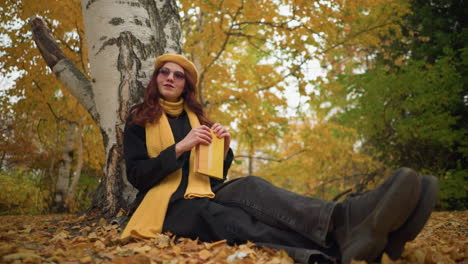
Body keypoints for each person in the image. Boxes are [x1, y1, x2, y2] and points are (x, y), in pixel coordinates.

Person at [121, 53, 439, 264]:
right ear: (156, 79)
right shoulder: (140, 121)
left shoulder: (197, 120)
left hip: (203, 191)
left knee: (252, 187)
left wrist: (225, 148)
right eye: (165, 72)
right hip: (165, 207)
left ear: (186, 85)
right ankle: (335, 247)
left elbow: (212, 179)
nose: (170, 78)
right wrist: (179, 148)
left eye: (178, 75)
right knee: (231, 220)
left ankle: (343, 218)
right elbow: (138, 176)